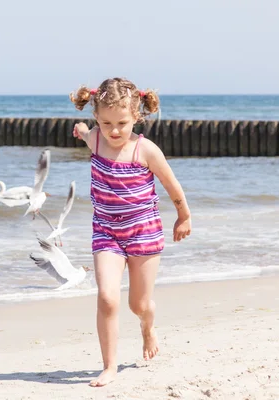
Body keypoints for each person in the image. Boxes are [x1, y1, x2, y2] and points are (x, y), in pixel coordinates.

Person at [69, 77, 192, 387]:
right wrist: (82, 131)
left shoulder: (145, 150)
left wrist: (183, 216)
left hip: (144, 233)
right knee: (108, 298)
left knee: (138, 304)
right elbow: (86, 135)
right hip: (106, 233)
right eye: (106, 122)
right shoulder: (95, 139)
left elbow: (171, 185)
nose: (113, 130)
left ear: (136, 117)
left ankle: (147, 327)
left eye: (121, 123)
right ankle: (110, 366)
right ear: (96, 117)